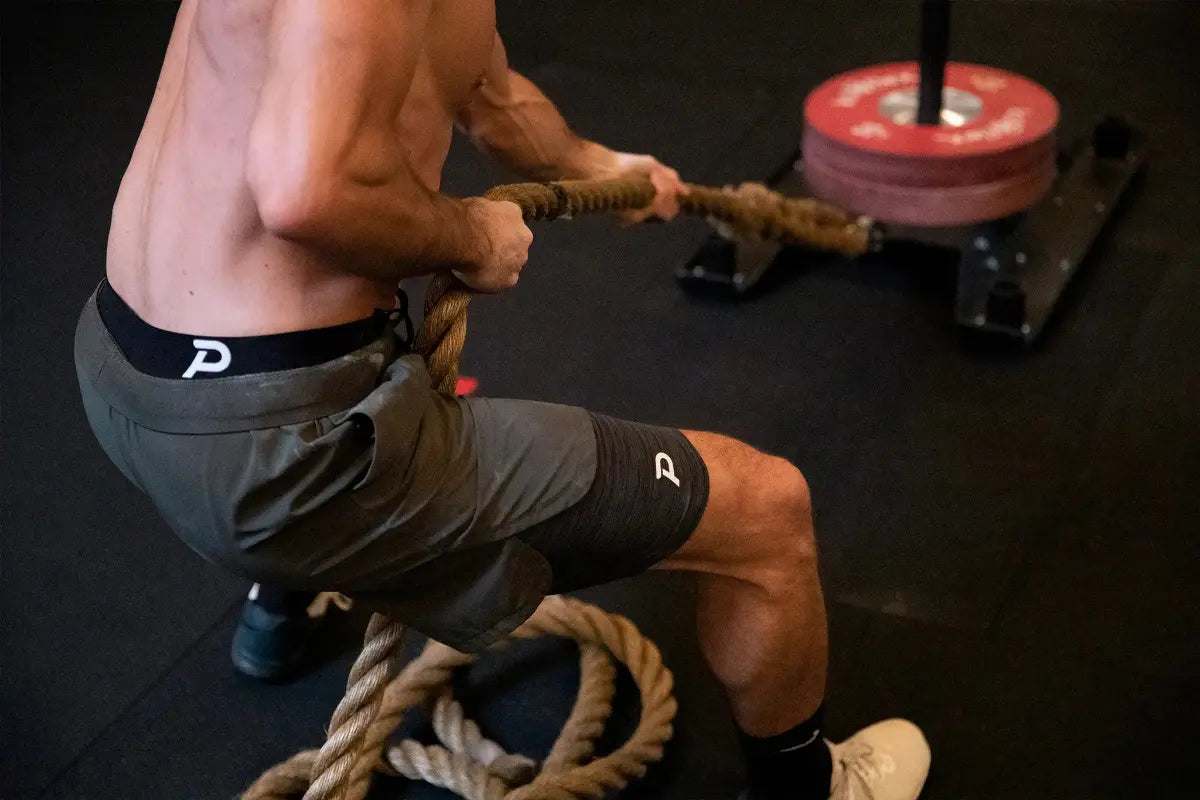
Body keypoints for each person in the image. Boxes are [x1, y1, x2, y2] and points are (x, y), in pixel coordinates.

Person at [73, 1, 931, 798]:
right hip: (277, 448)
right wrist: (469, 232)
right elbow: (307, 189)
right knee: (768, 515)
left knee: (332, 413)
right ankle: (810, 787)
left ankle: (282, 607)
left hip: (122, 368)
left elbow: (487, 90)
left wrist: (602, 167)